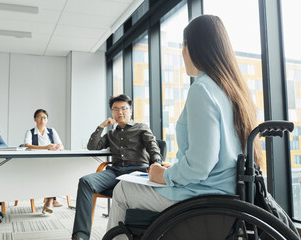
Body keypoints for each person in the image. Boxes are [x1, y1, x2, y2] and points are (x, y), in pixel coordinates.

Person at [106, 14, 263, 236]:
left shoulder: (202, 89)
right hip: (226, 194)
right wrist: (176, 168)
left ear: (196, 48)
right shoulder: (233, 90)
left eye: (184, 46)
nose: (182, 53)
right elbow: (213, 160)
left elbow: (200, 166)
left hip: (201, 197)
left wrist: (163, 175)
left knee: (122, 190)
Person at [71, 94, 163, 240]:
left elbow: (152, 145)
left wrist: (157, 161)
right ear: (112, 113)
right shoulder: (111, 134)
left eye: (123, 108)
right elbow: (92, 146)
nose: (120, 112)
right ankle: (80, 236)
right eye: (115, 109)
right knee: (85, 182)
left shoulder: (141, 127)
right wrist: (101, 126)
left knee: (127, 191)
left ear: (130, 111)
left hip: (137, 171)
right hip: (115, 171)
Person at [24, 109, 64, 214]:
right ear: (34, 119)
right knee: (51, 173)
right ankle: (51, 201)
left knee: (54, 172)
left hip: (50, 161)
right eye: (39, 117)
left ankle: (49, 201)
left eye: (44, 118)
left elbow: (61, 145)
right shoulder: (30, 132)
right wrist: (45, 147)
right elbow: (27, 146)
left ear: (47, 120)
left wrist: (58, 147)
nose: (42, 119)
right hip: (36, 162)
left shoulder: (52, 131)